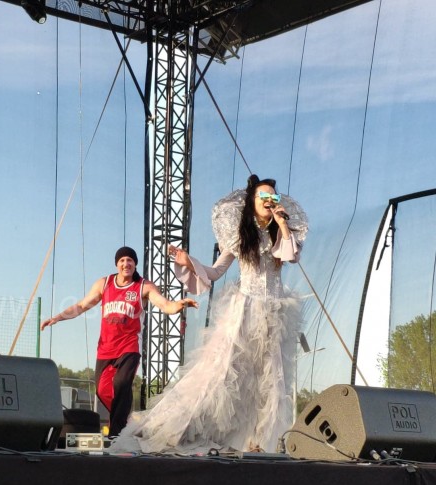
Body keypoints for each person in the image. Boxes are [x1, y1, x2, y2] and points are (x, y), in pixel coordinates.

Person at [110, 175, 308, 454]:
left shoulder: (281, 235)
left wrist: (282, 224)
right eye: (263, 196)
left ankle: (261, 442)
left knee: (270, 379)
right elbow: (214, 272)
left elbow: (291, 256)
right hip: (245, 311)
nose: (269, 201)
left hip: (274, 314)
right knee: (221, 372)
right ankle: (175, 428)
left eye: (273, 197)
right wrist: (188, 262)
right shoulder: (240, 237)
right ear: (252, 202)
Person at [40, 246, 199, 437]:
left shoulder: (143, 286)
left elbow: (165, 305)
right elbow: (81, 305)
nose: (126, 264)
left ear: (135, 264)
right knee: (102, 390)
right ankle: (128, 422)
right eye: (122, 260)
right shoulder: (104, 283)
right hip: (105, 348)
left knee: (122, 384)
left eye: (130, 260)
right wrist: (57, 318)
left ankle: (116, 434)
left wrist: (178, 305)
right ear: (117, 264)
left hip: (129, 347)